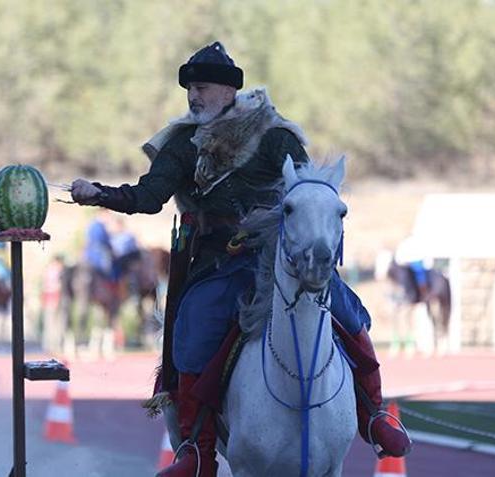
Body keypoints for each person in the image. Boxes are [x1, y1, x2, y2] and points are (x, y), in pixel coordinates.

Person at [71, 42, 410, 476]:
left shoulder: (274, 135)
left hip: (281, 253)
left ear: (229, 90)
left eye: (202, 88)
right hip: (219, 260)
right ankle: (198, 449)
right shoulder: (183, 144)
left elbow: (304, 188)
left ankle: (375, 414)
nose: (193, 96)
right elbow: (150, 196)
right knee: (194, 323)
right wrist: (99, 194)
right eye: (190, 88)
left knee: (347, 310)